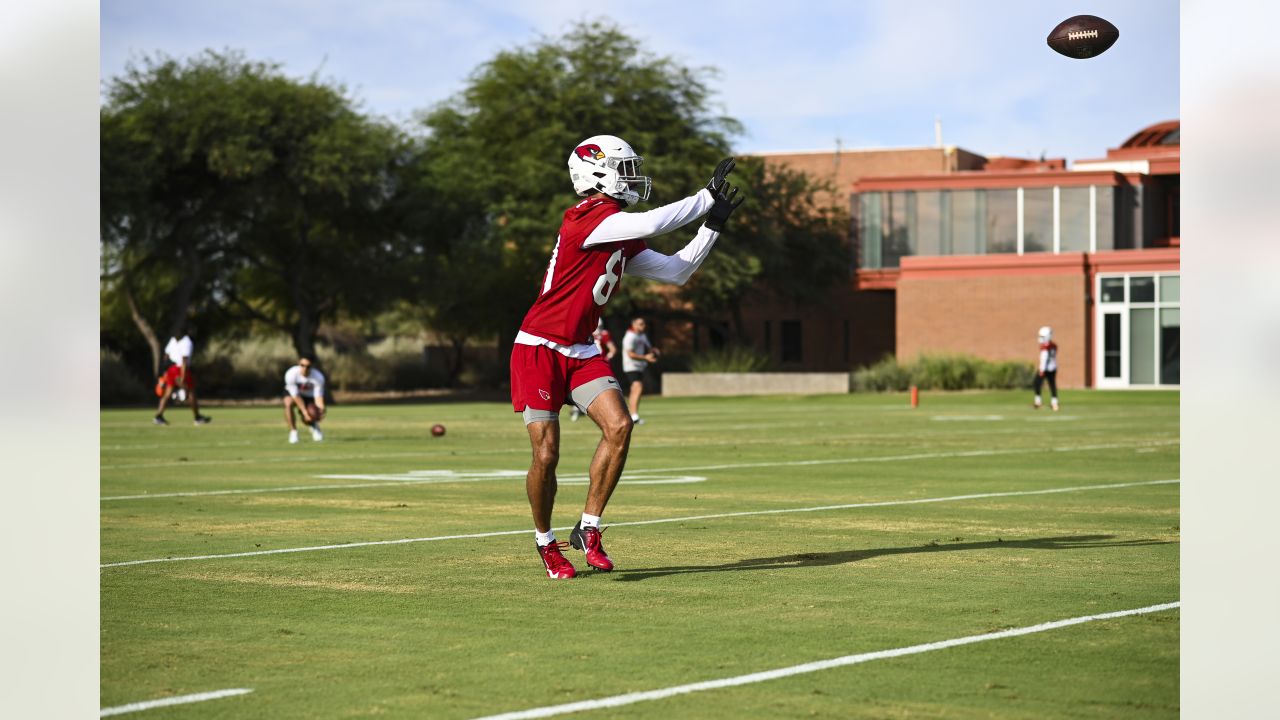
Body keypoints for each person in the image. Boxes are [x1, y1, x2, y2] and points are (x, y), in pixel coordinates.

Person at [510, 134, 744, 579]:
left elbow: (678, 272)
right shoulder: (584, 219)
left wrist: (712, 222)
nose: (633, 178)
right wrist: (704, 196)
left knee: (619, 426)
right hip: (538, 347)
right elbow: (653, 222)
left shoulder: (618, 228)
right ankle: (545, 542)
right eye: (625, 169)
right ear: (596, 173)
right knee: (547, 455)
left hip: (580, 348)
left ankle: (589, 528)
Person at [154, 325, 211, 426]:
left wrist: (166, 371)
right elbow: (182, 361)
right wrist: (182, 377)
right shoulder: (183, 341)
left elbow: (168, 356)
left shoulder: (181, 341)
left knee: (168, 394)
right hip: (179, 369)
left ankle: (159, 415)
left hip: (173, 369)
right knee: (190, 392)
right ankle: (197, 417)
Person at [570, 319, 617, 422]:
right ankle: (577, 407)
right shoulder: (584, 334)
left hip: (600, 365)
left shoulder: (603, 334)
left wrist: (607, 358)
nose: (598, 329)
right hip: (587, 364)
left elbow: (612, 349)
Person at [622, 317, 660, 425]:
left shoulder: (642, 335)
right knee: (638, 387)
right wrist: (645, 357)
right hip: (631, 365)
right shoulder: (629, 336)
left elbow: (649, 347)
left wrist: (654, 351)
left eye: (643, 324)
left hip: (640, 366)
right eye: (640, 324)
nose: (643, 326)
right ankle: (633, 415)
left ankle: (632, 415)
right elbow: (630, 354)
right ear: (633, 325)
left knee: (635, 389)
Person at [283, 358, 327, 443]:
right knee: (288, 404)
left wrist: (320, 410)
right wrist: (304, 412)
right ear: (299, 364)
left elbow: (318, 396)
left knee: (311, 414)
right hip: (294, 394)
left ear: (312, 367)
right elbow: (295, 396)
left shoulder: (318, 377)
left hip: (309, 396)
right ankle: (293, 432)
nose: (305, 368)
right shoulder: (291, 374)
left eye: (308, 366)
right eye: (302, 365)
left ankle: (314, 426)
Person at [1034, 325, 1060, 411]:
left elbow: (1044, 359)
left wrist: (1041, 370)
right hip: (1053, 368)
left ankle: (1038, 402)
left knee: (1036, 383)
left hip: (1045, 368)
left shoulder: (1045, 347)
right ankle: (1054, 403)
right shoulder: (1054, 345)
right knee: (1052, 385)